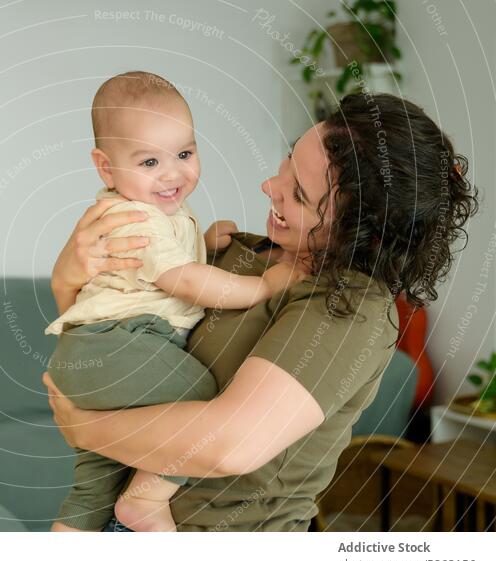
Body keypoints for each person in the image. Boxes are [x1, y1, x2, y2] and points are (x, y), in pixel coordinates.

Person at [44, 92, 479, 532]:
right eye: (286, 163)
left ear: (360, 233)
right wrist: (65, 277)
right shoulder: (239, 252)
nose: (268, 187)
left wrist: (82, 429)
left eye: (299, 195)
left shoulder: (351, 308)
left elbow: (231, 444)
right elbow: (103, 330)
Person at [45, 71, 303, 532]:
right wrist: (263, 287)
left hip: (94, 352)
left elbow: (157, 267)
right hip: (118, 346)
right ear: (106, 166)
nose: (173, 173)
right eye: (148, 162)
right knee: (201, 408)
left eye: (184, 153)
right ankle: (147, 500)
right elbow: (182, 280)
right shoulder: (135, 217)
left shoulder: (154, 210)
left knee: (95, 486)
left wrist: (203, 240)